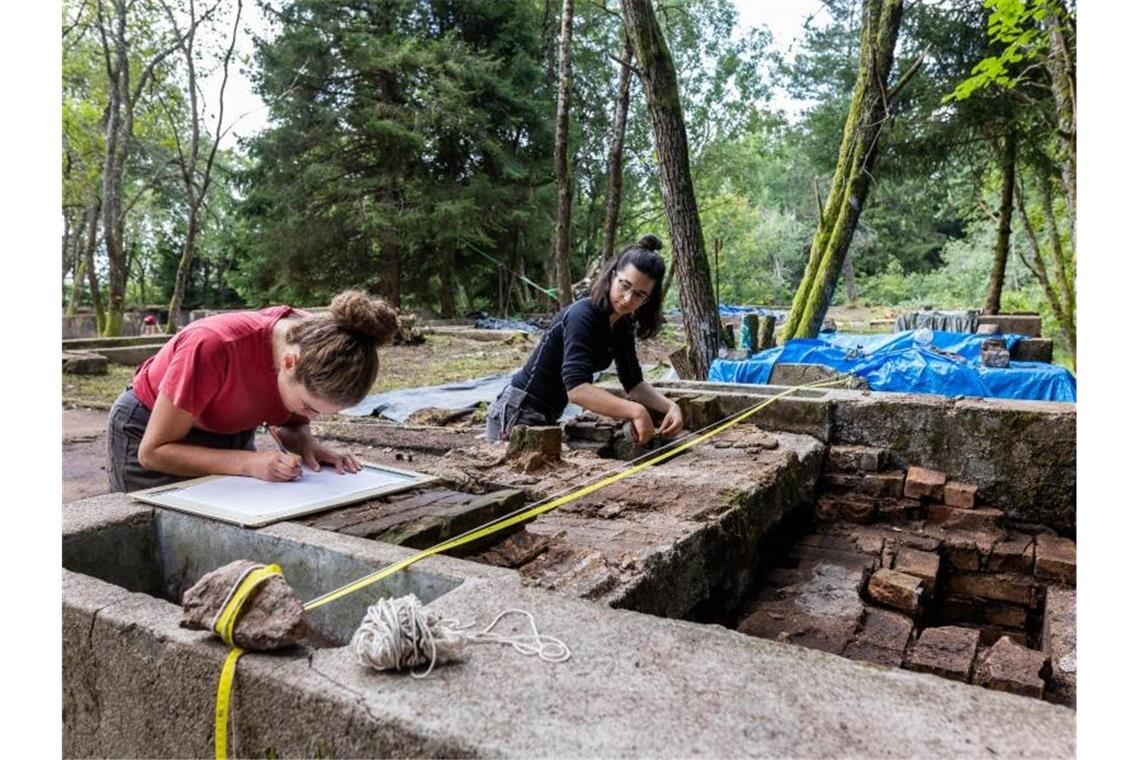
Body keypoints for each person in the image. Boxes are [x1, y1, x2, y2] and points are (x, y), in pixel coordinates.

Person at [107, 289, 398, 492]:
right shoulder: (213, 346)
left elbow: (290, 423)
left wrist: (306, 444)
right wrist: (247, 463)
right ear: (288, 362)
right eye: (309, 407)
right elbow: (153, 452)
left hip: (230, 429)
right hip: (151, 429)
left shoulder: (325, 342)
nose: (310, 416)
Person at [486, 234, 683, 444]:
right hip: (518, 412)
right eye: (624, 285)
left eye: (639, 295)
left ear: (648, 299)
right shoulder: (583, 316)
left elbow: (633, 383)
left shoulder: (621, 325)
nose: (627, 299)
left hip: (547, 415)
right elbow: (578, 390)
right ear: (611, 276)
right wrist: (635, 411)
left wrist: (671, 406)